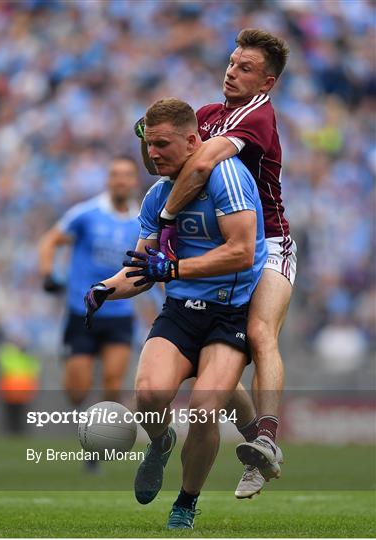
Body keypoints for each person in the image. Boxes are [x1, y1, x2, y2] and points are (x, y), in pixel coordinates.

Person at [84, 98, 267, 529]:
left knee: (204, 409)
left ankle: (185, 502)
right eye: (149, 145)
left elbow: (241, 253)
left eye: (163, 144)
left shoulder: (228, 177)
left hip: (230, 312)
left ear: (192, 141)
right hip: (182, 309)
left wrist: (175, 267)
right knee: (149, 398)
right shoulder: (157, 197)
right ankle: (161, 441)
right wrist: (105, 289)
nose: (153, 154)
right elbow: (142, 269)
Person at [135, 28, 296, 497]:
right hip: (217, 244)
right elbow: (167, 156)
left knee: (262, 333)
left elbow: (201, 161)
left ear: (265, 82)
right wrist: (151, 137)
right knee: (215, 377)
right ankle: (254, 448)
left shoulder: (257, 116)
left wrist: (166, 217)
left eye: (245, 69)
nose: (231, 72)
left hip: (267, 241)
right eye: (231, 63)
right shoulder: (207, 114)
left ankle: (266, 434)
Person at [38, 155, 140, 426]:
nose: (120, 180)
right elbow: (50, 240)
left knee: (113, 383)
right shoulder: (86, 213)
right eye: (115, 174)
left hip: (119, 312)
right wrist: (48, 274)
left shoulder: (142, 222)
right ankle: (71, 361)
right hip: (81, 312)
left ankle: (99, 438)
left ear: (134, 181)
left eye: (126, 175)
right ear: (109, 180)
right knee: (76, 393)